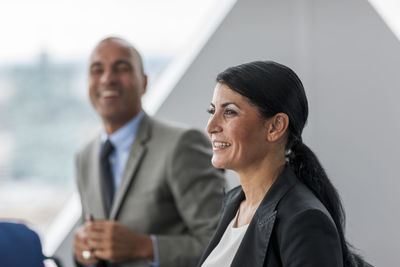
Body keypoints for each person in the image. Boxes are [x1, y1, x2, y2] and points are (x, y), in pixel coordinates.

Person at [198, 61, 372, 267]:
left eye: (229, 112)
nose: (211, 127)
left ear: (275, 127)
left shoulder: (305, 220)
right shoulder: (234, 201)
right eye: (212, 111)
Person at [73, 37, 226, 267]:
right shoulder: (85, 156)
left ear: (143, 82)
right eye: (97, 70)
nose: (107, 79)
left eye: (121, 68)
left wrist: (144, 246)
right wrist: (82, 252)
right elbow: (92, 248)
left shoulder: (182, 144)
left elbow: (222, 244)